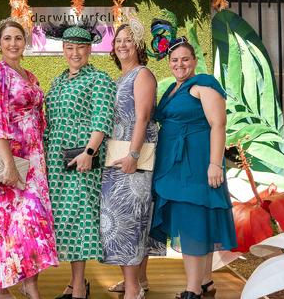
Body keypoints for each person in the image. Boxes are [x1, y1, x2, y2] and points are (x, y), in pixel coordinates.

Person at [0, 18, 59, 299]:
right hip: (5, 159)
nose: (13, 43)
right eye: (7, 38)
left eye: (18, 38)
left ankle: (30, 284)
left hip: (32, 160)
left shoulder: (30, 76)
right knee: (1, 224)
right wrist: (8, 163)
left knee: (34, 223)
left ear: (25, 42)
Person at [150, 33, 237, 299]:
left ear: (195, 60)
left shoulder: (203, 84)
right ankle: (206, 282)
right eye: (174, 60)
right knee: (199, 221)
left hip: (196, 164)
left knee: (193, 223)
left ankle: (192, 291)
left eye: (185, 59)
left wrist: (214, 164)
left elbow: (218, 125)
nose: (179, 64)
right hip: (176, 165)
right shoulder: (175, 88)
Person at [43, 22, 116, 299]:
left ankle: (79, 288)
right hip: (56, 158)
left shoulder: (99, 79)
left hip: (80, 157)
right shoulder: (59, 80)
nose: (75, 53)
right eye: (70, 47)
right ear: (63, 49)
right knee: (64, 219)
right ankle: (76, 283)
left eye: (81, 48)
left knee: (79, 218)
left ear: (90, 50)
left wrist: (89, 152)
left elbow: (103, 118)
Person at [100, 20, 165, 299]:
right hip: (118, 157)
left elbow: (143, 117)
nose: (122, 45)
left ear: (138, 44)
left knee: (130, 218)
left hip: (132, 159)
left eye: (128, 40)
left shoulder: (142, 75)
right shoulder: (120, 78)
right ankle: (139, 279)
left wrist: (133, 156)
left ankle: (133, 287)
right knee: (132, 217)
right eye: (118, 41)